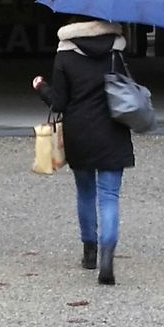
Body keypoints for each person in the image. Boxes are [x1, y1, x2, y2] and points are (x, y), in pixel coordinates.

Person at [32, 17, 134, 287]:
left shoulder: (65, 54)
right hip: (113, 129)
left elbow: (59, 102)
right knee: (109, 196)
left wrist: (41, 86)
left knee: (86, 192)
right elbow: (126, 90)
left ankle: (89, 251)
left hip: (79, 132)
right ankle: (107, 255)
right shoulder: (117, 51)